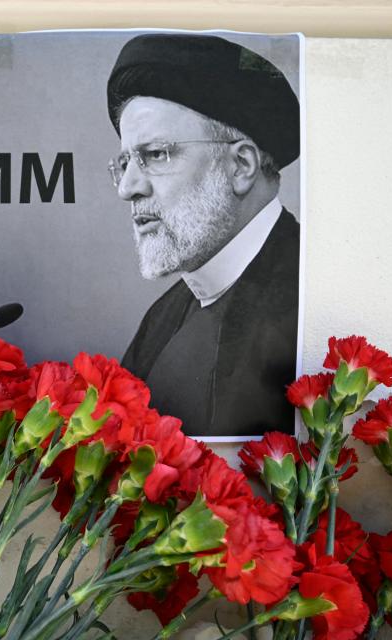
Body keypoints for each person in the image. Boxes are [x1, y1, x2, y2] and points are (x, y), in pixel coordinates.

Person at [107, 34, 300, 439]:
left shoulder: (314, 296)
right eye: (125, 162)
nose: (127, 187)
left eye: (155, 155)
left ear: (241, 166)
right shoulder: (162, 318)